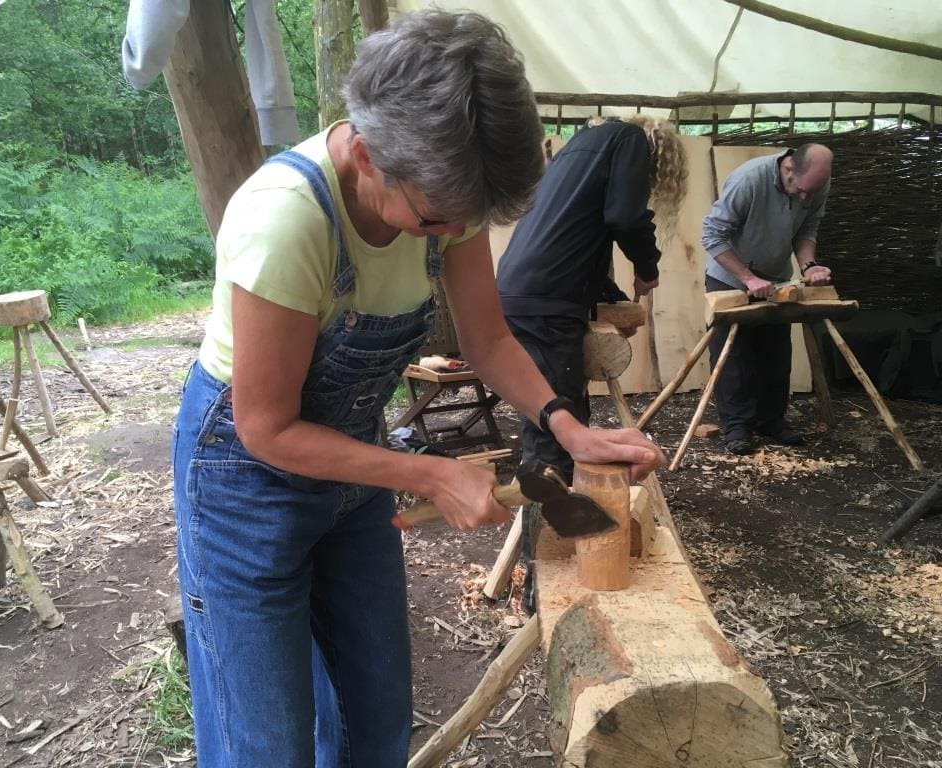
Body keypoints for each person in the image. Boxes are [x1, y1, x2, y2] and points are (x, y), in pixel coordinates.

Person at [171, 11, 666, 768]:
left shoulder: (446, 194)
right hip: (246, 479)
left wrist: (569, 428)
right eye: (434, 220)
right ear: (367, 155)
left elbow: (490, 340)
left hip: (350, 460)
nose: (450, 235)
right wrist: (429, 470)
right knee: (264, 744)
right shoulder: (285, 222)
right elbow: (266, 428)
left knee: (375, 719)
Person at [494, 115, 686, 612]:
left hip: (524, 288)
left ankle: (547, 561)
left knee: (550, 418)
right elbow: (623, 218)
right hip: (546, 300)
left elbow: (584, 233)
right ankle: (548, 579)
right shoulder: (627, 140)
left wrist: (611, 297)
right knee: (555, 434)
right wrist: (648, 266)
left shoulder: (582, 148)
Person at [701, 143, 834, 455]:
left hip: (776, 277)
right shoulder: (748, 180)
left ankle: (770, 421)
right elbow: (712, 236)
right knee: (733, 355)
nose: (805, 197)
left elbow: (807, 229)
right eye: (800, 190)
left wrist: (809, 267)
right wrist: (747, 278)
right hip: (730, 277)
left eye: (809, 192)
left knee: (775, 352)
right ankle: (737, 427)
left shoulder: (816, 183)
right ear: (788, 168)